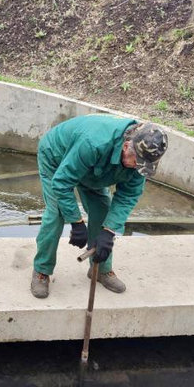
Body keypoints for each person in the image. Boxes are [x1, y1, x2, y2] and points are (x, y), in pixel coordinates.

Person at [31, 115, 168, 299]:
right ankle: (42, 270)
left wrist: (109, 231)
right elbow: (62, 182)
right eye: (136, 162)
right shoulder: (94, 142)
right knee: (56, 213)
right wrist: (76, 222)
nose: (138, 168)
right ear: (127, 145)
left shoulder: (141, 160)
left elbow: (128, 196)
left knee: (103, 211)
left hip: (93, 168)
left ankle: (101, 270)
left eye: (143, 165)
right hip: (57, 157)